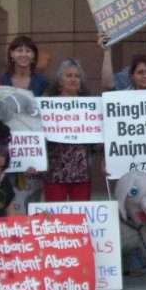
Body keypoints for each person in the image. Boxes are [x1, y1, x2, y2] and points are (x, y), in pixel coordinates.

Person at [42, 59, 93, 202]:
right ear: (60, 81)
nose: (73, 79)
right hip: (54, 172)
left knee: (81, 218)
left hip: (82, 173)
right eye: (68, 75)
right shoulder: (47, 105)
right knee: (55, 218)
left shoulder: (90, 106)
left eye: (77, 76)